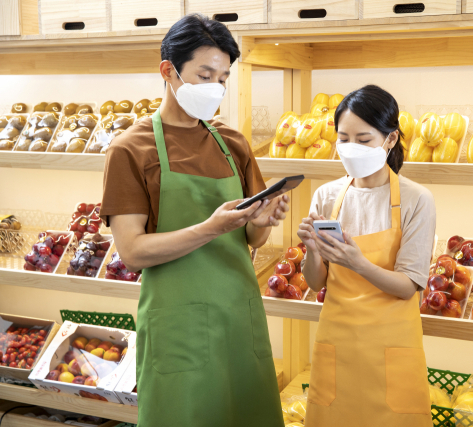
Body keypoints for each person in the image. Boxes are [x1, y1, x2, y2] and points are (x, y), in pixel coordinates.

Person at [100, 14, 287, 427]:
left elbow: (252, 238)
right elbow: (132, 252)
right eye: (204, 75)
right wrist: (210, 228)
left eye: (222, 78)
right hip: (178, 324)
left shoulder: (232, 142)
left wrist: (265, 217)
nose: (215, 88)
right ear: (168, 70)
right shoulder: (131, 149)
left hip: (239, 318)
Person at [298, 85, 436, 427]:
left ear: (389, 140)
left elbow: (407, 286)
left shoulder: (416, 199)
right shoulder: (327, 195)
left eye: (364, 139)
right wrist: (313, 249)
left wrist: (356, 262)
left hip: (390, 347)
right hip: (338, 344)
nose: (351, 148)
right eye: (343, 138)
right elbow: (316, 283)